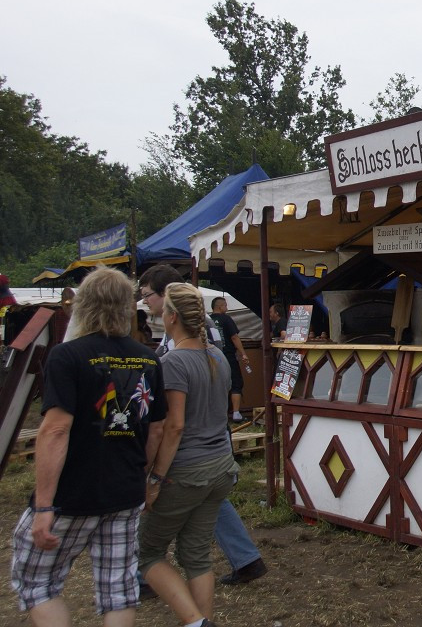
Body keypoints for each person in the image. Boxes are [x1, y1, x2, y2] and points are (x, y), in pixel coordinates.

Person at [10, 267, 166, 627]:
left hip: (72, 493)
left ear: (83, 304)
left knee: (36, 582)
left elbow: (54, 430)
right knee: (118, 588)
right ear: (127, 307)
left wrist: (44, 504)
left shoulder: (67, 356)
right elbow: (156, 428)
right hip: (125, 490)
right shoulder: (149, 358)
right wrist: (144, 478)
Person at [136, 266, 266, 591]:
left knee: (156, 538)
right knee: (203, 517)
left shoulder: (185, 345)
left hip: (190, 449)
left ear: (169, 303)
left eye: (148, 296)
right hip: (211, 445)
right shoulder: (206, 348)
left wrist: (154, 475)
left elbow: (175, 421)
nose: (146, 303)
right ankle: (244, 558)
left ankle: (147, 576)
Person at [139, 283, 237, 627]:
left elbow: (174, 426)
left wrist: (155, 478)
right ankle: (201, 621)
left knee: (147, 552)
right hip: (221, 467)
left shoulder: (172, 362)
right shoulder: (218, 357)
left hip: (186, 471)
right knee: (196, 556)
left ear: (173, 317)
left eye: (164, 310)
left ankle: (195, 621)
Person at [209, 296, 250, 423]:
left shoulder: (207, 320)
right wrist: (243, 354)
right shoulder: (226, 319)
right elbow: (234, 337)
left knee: (215, 384)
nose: (227, 308)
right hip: (227, 356)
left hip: (211, 357)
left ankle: (216, 413)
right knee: (236, 382)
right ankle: (236, 413)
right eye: (225, 305)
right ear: (220, 307)